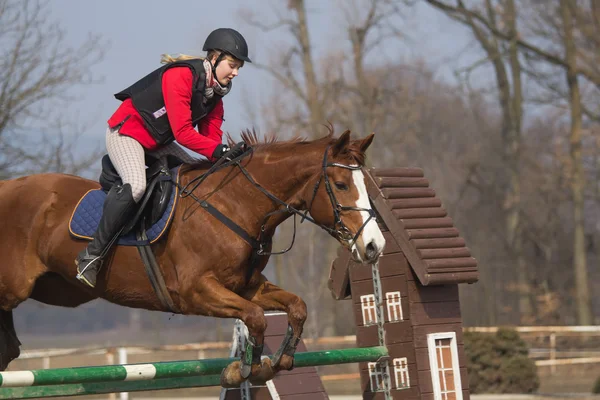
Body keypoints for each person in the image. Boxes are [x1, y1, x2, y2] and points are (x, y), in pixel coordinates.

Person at [75, 28, 252, 288]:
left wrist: (227, 157)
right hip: (127, 133)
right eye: (233, 65)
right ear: (214, 58)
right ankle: (91, 256)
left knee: (196, 176)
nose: (236, 72)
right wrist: (218, 152)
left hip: (157, 143)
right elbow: (183, 133)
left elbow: (211, 141)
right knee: (136, 185)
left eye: (238, 68)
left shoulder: (215, 96)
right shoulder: (180, 75)